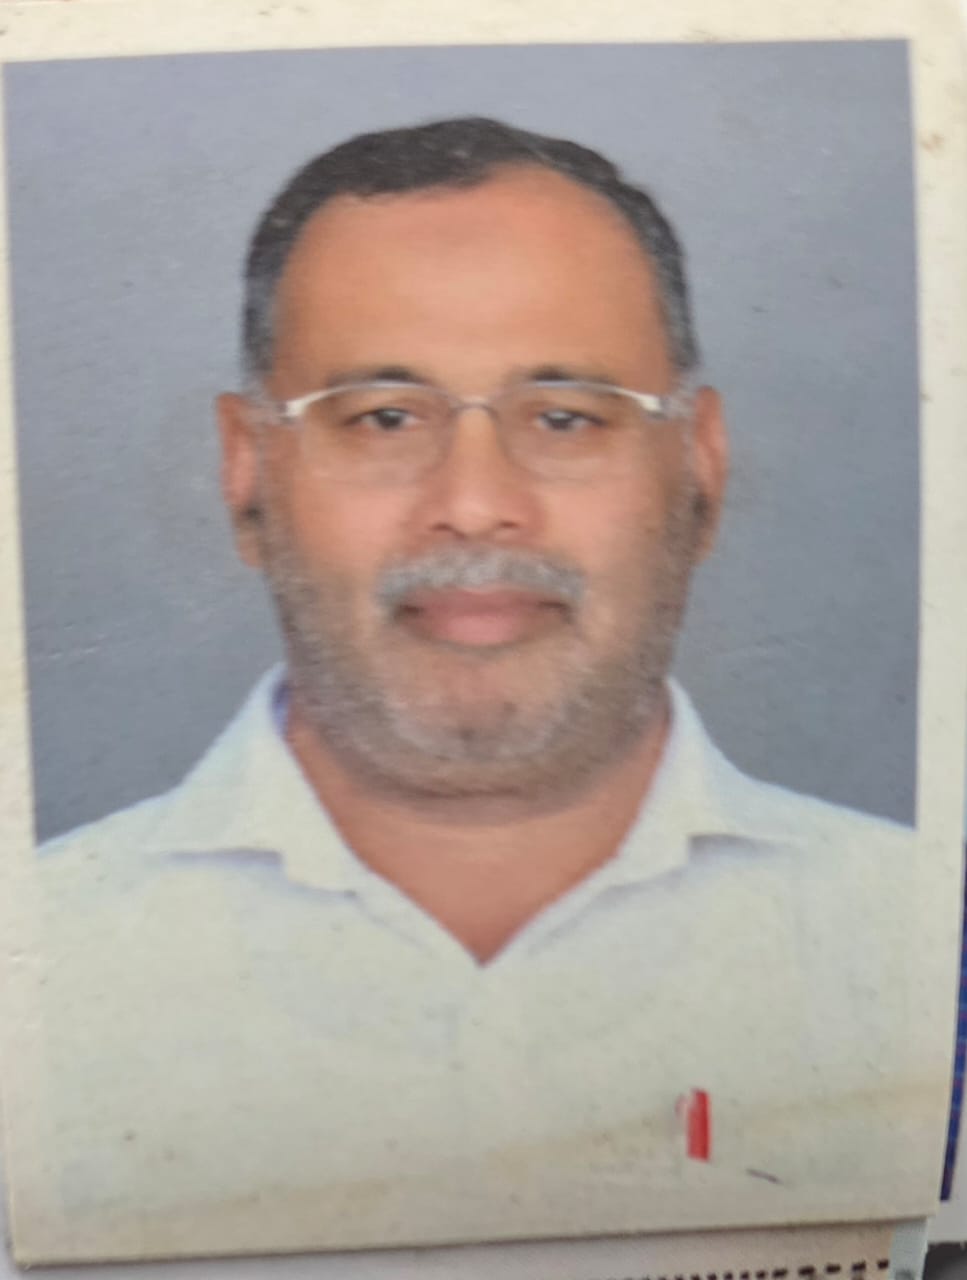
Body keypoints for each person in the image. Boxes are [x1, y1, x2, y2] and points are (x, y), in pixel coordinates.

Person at [29, 117, 935, 1261]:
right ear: (247, 469)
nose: (471, 503)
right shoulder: (38, 964)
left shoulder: (917, 938)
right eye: (383, 417)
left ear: (698, 465)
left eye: (564, 416)